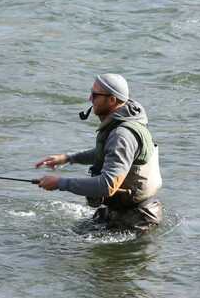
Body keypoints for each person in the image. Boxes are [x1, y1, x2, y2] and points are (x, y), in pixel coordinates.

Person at [35, 73, 163, 233]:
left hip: (137, 219)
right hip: (121, 211)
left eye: (95, 95)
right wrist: (68, 158)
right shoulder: (126, 122)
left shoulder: (122, 135)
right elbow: (109, 152)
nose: (90, 98)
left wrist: (60, 183)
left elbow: (108, 185)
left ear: (112, 100)